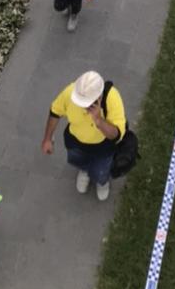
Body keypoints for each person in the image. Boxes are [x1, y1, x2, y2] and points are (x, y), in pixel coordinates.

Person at [41, 71, 126, 203]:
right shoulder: (71, 92)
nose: (81, 106)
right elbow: (55, 111)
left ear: (99, 97)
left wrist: (98, 120)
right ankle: (85, 170)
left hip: (103, 147)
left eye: (86, 103)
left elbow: (116, 135)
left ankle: (102, 182)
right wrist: (47, 139)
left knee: (101, 170)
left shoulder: (112, 98)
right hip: (76, 142)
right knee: (78, 161)